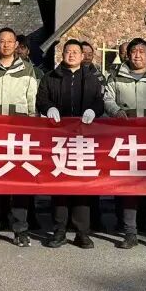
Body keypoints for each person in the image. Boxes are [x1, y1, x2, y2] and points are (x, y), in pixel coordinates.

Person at [104, 37, 146, 250]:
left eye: (142, 52)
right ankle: (130, 233)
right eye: (134, 51)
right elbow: (107, 99)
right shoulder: (116, 76)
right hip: (127, 139)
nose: (137, 55)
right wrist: (117, 111)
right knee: (129, 187)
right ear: (128, 55)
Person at [0, 28, 40, 247]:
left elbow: (32, 102)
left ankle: (20, 230)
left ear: (16, 45)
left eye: (10, 41)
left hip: (19, 134)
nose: (6, 45)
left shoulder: (27, 69)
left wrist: (33, 128)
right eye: (2, 41)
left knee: (19, 183)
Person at [36, 39, 103, 249]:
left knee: (82, 186)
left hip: (84, 139)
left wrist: (93, 110)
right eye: (68, 51)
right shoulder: (50, 77)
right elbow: (41, 99)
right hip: (59, 139)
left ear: (82, 56)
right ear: (62, 54)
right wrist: (49, 108)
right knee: (60, 186)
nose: (71, 55)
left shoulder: (92, 79)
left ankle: (82, 232)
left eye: (75, 52)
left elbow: (100, 101)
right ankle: (59, 231)